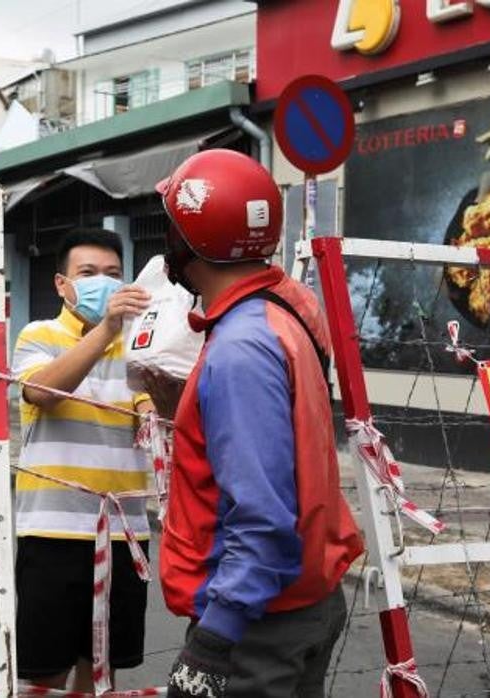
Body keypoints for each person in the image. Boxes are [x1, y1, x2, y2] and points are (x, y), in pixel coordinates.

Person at [154, 150, 365, 698]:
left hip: (258, 622)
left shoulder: (240, 351)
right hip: (302, 599)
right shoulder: (287, 308)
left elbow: (262, 518)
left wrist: (214, 641)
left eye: (172, 228)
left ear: (188, 244)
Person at [10, 228, 156, 692]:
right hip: (52, 534)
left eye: (114, 275)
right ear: (61, 284)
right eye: (88, 273)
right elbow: (42, 391)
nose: (103, 283)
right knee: (45, 677)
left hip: (123, 534)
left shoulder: (141, 343)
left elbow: (158, 419)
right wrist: (107, 331)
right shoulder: (40, 335)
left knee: (99, 677)